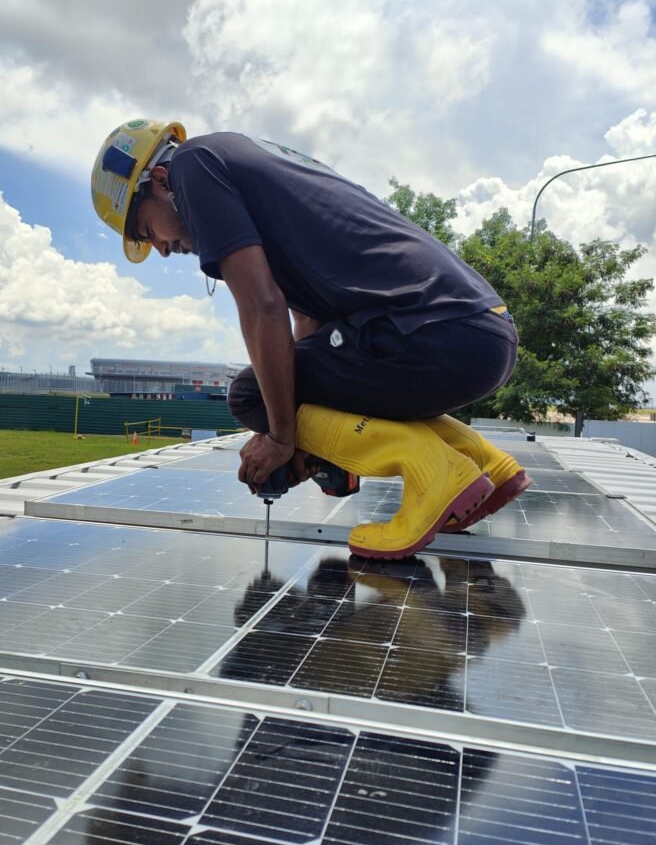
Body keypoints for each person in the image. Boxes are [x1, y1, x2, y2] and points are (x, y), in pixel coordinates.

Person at [91, 118, 530, 559]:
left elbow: (263, 307)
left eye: (148, 232)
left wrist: (280, 436)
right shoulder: (253, 165)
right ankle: (484, 461)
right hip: (476, 334)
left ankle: (435, 470)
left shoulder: (193, 166)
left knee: (250, 395)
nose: (163, 248)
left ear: (161, 181)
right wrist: (312, 438)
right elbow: (308, 329)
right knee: (285, 386)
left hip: (429, 333)